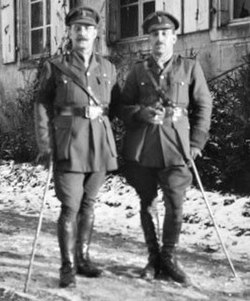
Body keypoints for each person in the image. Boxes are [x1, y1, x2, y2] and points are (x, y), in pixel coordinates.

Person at [119, 11, 212, 284]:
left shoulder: (190, 67)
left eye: (164, 33)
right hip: (143, 149)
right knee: (147, 204)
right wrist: (140, 112)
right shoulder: (138, 71)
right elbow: (122, 108)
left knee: (175, 204)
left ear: (174, 38)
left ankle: (169, 258)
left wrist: (196, 143)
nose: (159, 38)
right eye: (154, 34)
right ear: (149, 39)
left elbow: (204, 106)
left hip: (177, 146)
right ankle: (153, 258)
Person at [34, 6, 118, 288]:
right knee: (70, 206)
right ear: (69, 32)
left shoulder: (108, 68)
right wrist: (46, 144)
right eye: (77, 28)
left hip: (99, 143)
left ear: (96, 33)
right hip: (69, 143)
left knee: (89, 204)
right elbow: (42, 106)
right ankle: (67, 265)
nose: (82, 32)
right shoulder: (54, 66)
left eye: (88, 28)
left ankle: (83, 258)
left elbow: (115, 106)